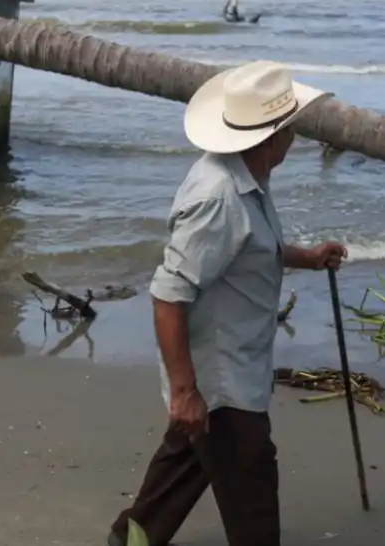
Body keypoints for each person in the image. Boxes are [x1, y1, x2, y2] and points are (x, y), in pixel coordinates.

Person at [107, 60, 347, 546]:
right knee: (252, 492)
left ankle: (130, 538)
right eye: (289, 127)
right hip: (220, 383)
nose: (295, 135)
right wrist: (185, 392)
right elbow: (168, 295)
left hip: (230, 370)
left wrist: (306, 257)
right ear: (270, 139)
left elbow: (247, 250)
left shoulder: (246, 176)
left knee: (183, 469)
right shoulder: (220, 197)